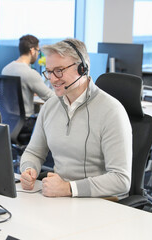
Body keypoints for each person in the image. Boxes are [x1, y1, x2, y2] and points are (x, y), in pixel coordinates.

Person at [19, 38, 132, 198]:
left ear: (82, 68)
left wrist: (69, 188)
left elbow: (121, 179)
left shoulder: (111, 111)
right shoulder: (50, 106)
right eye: (49, 71)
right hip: (59, 197)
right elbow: (33, 152)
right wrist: (29, 169)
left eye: (59, 70)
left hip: (102, 202)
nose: (52, 79)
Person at [2, 34, 54, 132]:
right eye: (38, 51)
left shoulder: (5, 69)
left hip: (8, 123)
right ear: (32, 50)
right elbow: (51, 97)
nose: (38, 54)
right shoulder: (30, 73)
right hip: (25, 125)